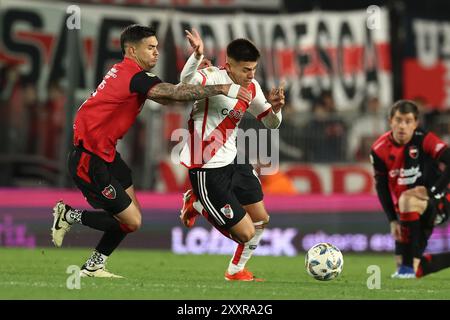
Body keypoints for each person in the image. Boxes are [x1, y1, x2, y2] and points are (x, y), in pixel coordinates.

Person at [50, 24, 252, 278]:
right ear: (132, 50)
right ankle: (68, 214)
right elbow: (174, 94)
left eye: (157, 47)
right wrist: (221, 88)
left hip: (107, 154)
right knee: (131, 221)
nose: (157, 53)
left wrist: (197, 59)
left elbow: (168, 99)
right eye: (151, 48)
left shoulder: (129, 73)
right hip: (89, 159)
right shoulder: (133, 76)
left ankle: (94, 265)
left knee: (132, 216)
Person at [178, 29, 285, 281]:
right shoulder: (211, 77)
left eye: (254, 69)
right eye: (246, 69)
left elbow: (271, 124)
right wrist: (197, 55)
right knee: (245, 233)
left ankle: (236, 270)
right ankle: (196, 202)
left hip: (234, 160)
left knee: (261, 220)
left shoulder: (253, 87)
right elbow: (184, 83)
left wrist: (277, 110)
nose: (251, 75)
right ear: (229, 66)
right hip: (207, 166)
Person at [370, 100, 450, 279]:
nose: (402, 126)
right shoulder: (378, 150)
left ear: (415, 123)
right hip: (408, 211)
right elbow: (381, 187)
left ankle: (407, 267)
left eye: (407, 121)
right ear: (390, 121)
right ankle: (409, 267)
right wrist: (392, 220)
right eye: (398, 120)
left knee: (407, 198)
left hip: (439, 200)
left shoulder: (424, 139)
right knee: (411, 268)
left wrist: (433, 191)